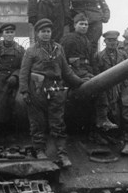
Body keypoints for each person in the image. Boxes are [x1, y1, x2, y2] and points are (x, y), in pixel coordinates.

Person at [19, 18, 84, 167]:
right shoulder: (31, 51)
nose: (46, 34)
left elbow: (66, 70)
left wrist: (79, 82)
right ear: (37, 33)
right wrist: (24, 91)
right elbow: (24, 72)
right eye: (43, 32)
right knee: (37, 122)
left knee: (58, 123)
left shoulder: (58, 48)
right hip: (37, 89)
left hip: (56, 89)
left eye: (48, 31)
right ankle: (40, 150)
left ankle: (62, 153)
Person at [61, 13, 117, 130]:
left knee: (101, 83)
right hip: (74, 72)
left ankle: (102, 119)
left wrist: (97, 75)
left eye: (86, 24)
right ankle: (102, 118)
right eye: (81, 24)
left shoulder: (87, 41)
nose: (84, 27)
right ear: (75, 25)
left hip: (86, 71)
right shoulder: (68, 39)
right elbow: (63, 60)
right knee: (98, 86)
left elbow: (93, 61)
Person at [94, 30, 128, 155]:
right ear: (105, 42)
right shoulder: (99, 56)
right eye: (109, 40)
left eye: (114, 40)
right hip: (108, 88)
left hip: (124, 87)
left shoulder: (123, 55)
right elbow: (97, 74)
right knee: (114, 114)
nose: (112, 43)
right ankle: (115, 140)